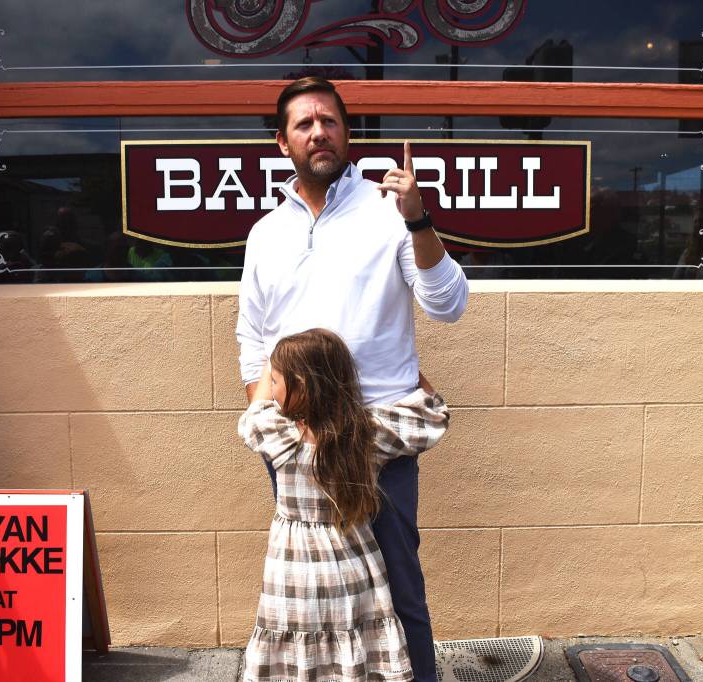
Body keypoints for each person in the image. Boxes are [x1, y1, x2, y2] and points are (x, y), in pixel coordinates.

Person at [236, 76, 469, 682]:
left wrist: (418, 220)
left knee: (399, 589)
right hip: (295, 445)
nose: (319, 132)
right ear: (283, 142)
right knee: (314, 600)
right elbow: (253, 337)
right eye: (304, 124)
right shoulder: (266, 233)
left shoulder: (389, 212)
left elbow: (447, 305)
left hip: (379, 437)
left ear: (347, 132)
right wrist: (267, 420)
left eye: (330, 121)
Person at [238, 329, 450, 682]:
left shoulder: (276, 434)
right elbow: (435, 415)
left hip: (292, 577)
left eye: (276, 380)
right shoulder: (367, 434)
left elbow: (253, 412)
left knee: (300, 650)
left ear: (300, 386)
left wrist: (269, 351)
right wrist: (406, 366)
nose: (271, 388)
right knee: (353, 643)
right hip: (355, 567)